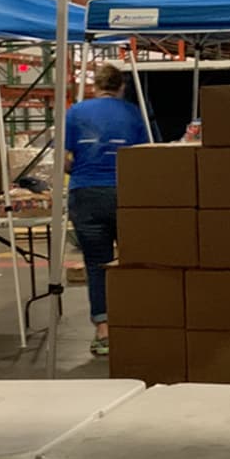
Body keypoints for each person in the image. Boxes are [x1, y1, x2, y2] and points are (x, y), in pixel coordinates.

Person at [64, 64, 149, 356]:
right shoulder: (133, 113)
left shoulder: (75, 112)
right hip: (125, 192)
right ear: (121, 87)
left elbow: (66, 159)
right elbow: (145, 156)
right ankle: (137, 325)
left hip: (85, 194)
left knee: (96, 264)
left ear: (95, 86)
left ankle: (104, 332)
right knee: (132, 260)